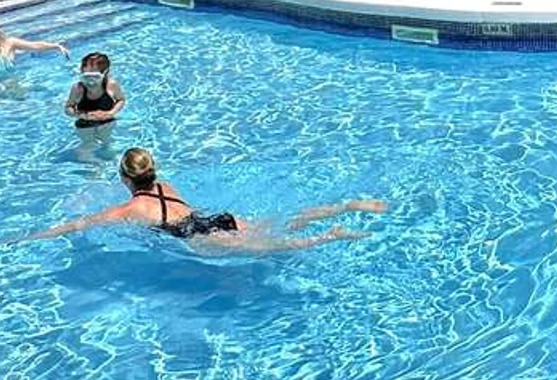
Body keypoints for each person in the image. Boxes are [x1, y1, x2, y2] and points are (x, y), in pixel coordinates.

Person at [31, 147, 386, 253]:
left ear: (125, 179)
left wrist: (34, 236)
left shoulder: (132, 207)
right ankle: (345, 206)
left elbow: (80, 224)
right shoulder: (165, 185)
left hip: (200, 236)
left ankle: (330, 235)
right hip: (218, 218)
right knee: (283, 222)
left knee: (275, 246)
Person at [64, 52, 126, 129]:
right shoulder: (78, 88)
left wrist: (111, 113)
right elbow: (68, 108)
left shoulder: (111, 85)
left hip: (107, 122)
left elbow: (121, 100)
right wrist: (83, 116)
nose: (91, 82)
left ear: (105, 73)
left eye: (95, 77)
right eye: (86, 77)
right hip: (85, 126)